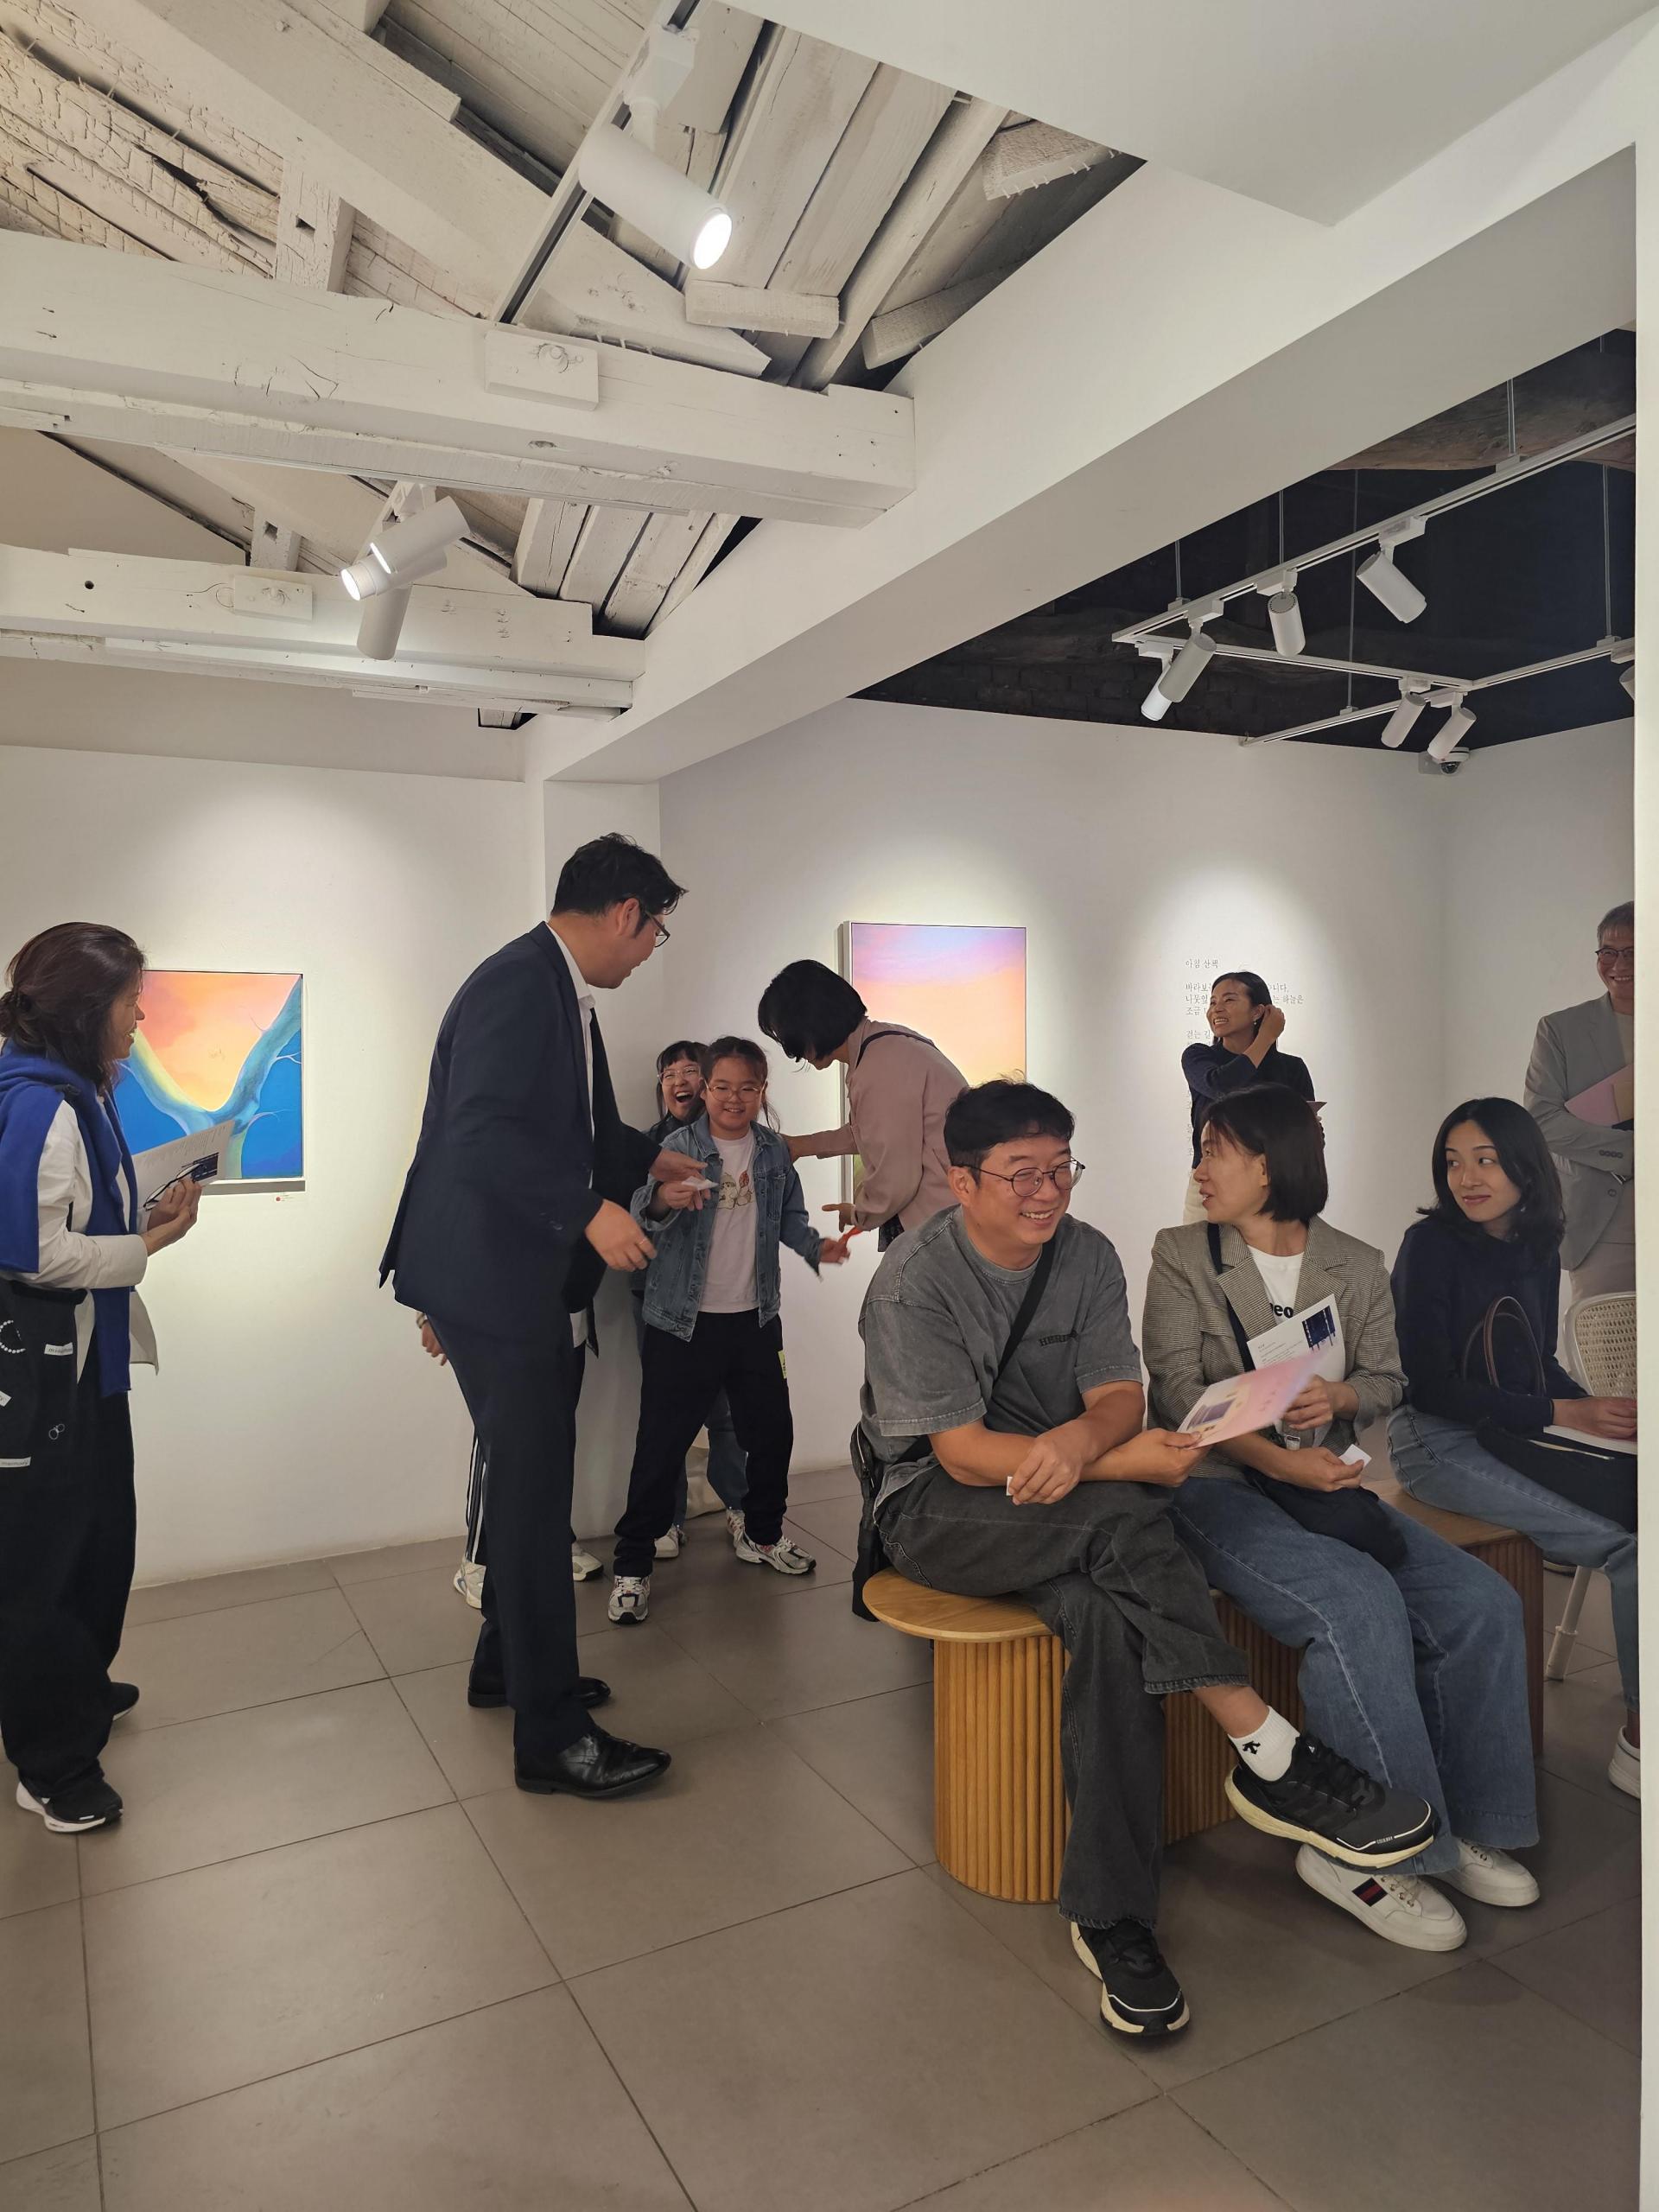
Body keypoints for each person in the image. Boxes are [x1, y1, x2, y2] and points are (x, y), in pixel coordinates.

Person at [859, 1079, 1436, 2039]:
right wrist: (1112, 1462)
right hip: (935, 1506)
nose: (1047, 1192)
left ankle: (1111, 1914)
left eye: (1061, 1169)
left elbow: (1119, 1396)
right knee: (1128, 1519)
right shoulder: (914, 1282)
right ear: (960, 1181)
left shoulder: (1084, 1253)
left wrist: (1085, 1446)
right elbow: (960, 1454)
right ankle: (1266, 1746)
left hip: (1065, 1496)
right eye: (1020, 1175)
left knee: (1106, 1615)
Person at [1142, 1084, 1539, 1954]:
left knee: (1484, 1603)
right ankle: (1368, 1852)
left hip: (1325, 1483)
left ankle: (1465, 1822)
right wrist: (1282, 1458)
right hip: (1214, 1486)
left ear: (1267, 1164)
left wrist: (1344, 1397)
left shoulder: (1354, 1263)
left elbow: (1390, 1380)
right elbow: (1175, 1395)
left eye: (1213, 1150)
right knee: (1356, 1604)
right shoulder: (1182, 1254)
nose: (1199, 1168)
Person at [381, 834, 699, 1800]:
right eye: (654, 933)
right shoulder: (521, 983)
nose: (648, 952)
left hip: (505, 1274)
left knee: (531, 1485)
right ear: (625, 914)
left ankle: (506, 1668)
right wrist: (590, 1211)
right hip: (490, 1278)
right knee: (530, 1500)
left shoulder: (558, 987)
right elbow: (479, 1133)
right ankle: (552, 1737)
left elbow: (580, 1128)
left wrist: (646, 1161)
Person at [0, 924, 200, 1833]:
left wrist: (139, 1220)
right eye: (129, 1001)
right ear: (87, 1012)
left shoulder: (65, 1092)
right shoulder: (44, 1107)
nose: (140, 1017)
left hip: (78, 1366)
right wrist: (148, 1242)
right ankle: (52, 1764)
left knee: (97, 1540)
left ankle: (74, 1688)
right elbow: (34, 1252)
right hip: (48, 1378)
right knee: (50, 1563)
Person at [1389, 1097, 1639, 1798]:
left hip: (1513, 1427)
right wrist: (1564, 1411)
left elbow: (1536, 1362)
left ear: (1525, 1167)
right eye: (1453, 1162)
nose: (1466, 1178)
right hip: (1435, 1440)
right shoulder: (1430, 1246)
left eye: (1486, 1160)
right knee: (1632, 1549)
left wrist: (1594, 1414)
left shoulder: (1539, 1245)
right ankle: (1640, 1740)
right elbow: (1428, 1386)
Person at [609, 1038, 859, 1623]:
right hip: (681, 1324)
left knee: (772, 1433)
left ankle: (764, 1534)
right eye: (722, 1087)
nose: (733, 1098)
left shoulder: (772, 1152)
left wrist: (815, 1247)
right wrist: (665, 1200)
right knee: (660, 1446)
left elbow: (789, 1219)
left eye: (747, 1088)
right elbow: (641, 1212)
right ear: (705, 1090)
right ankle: (633, 1565)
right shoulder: (678, 1147)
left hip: (755, 1320)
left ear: (762, 1092)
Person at [759, 959, 965, 1249]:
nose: (791, 1052)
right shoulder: (885, 1045)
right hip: (950, 1219)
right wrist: (801, 1146)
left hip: (944, 1227)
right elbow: (871, 1132)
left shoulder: (879, 1069)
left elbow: (896, 1179)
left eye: (786, 1037)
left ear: (808, 1026)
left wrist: (860, 1213)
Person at [637, 1039, 747, 1560]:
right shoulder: (644, 1147)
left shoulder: (736, 1142)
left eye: (689, 1072)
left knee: (728, 1413)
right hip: (660, 1300)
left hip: (726, 1301)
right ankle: (668, 1519)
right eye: (669, 1075)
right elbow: (631, 1217)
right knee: (668, 1416)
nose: (679, 1082)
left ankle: (741, 1508)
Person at [1526, 900, 1636, 1301]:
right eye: (1609, 952)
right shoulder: (1560, 1030)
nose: (1619, 964)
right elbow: (1541, 1120)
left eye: (1633, 951)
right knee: (1603, 1337)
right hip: (1601, 1222)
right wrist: (1634, 1151)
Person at [1179, 971, 1314, 1224]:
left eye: (1229, 1000)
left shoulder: (1291, 1068)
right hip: (1210, 1186)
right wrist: (1266, 1038)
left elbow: (1308, 1139)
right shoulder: (1199, 1057)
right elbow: (1222, 1087)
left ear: (1258, 1011)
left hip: (1271, 1188)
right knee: (1198, 1250)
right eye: (1212, 1002)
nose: (1217, 1008)